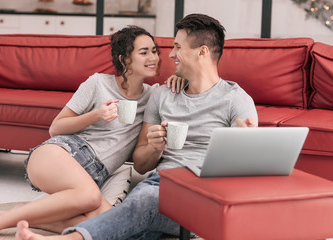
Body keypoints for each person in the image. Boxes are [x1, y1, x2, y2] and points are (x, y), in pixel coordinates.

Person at [14, 13, 258, 240]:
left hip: (207, 193)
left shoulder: (236, 100)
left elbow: (251, 170)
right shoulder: (161, 95)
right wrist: (154, 147)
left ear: (202, 52)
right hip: (164, 186)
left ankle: (66, 234)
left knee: (134, 217)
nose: (170, 55)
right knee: (144, 203)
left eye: (177, 47)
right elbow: (141, 165)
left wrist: (243, 146)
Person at [0, 25, 185, 240]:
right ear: (124, 59)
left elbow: (184, 90)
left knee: (108, 222)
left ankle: (17, 214)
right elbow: (56, 127)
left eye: (154, 51)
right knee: (90, 197)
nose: (154, 57)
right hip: (61, 154)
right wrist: (96, 115)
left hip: (96, 174)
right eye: (144, 52)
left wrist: (180, 77)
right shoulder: (97, 83)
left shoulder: (154, 96)